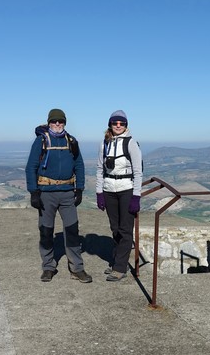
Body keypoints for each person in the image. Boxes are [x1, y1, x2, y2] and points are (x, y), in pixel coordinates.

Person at [26, 108, 91, 283]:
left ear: (64, 123)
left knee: (72, 230)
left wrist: (80, 189)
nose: (57, 124)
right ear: (49, 123)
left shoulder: (71, 141)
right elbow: (31, 167)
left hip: (67, 193)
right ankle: (48, 267)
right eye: (54, 121)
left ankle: (76, 269)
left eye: (60, 121)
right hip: (46, 193)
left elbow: (79, 165)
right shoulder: (40, 141)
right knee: (46, 231)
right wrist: (34, 192)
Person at [95, 110, 143, 282]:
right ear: (110, 124)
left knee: (125, 229)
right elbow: (100, 169)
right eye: (115, 123)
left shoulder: (131, 143)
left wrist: (136, 196)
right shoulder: (104, 143)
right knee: (115, 228)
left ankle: (120, 267)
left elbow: (138, 172)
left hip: (126, 189)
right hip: (109, 189)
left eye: (121, 123)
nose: (118, 126)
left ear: (126, 125)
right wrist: (99, 193)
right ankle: (117, 260)